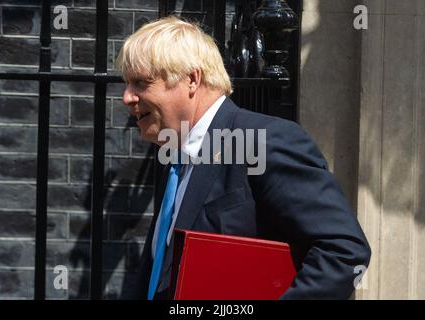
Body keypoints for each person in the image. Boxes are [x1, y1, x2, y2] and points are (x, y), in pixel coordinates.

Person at [116, 16, 371, 300]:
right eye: (127, 84)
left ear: (191, 79)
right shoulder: (175, 157)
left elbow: (343, 250)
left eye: (140, 82)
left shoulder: (265, 140)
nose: (127, 97)